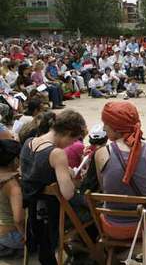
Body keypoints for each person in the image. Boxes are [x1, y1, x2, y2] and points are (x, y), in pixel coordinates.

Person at [20, 110, 86, 264]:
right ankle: (86, 252)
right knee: (90, 209)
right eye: (73, 140)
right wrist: (74, 179)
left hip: (33, 210)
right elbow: (68, 193)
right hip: (54, 212)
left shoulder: (29, 142)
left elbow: (30, 173)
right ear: (68, 132)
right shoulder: (56, 154)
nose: (72, 144)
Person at [94, 102, 146, 240]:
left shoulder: (101, 153)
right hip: (144, 226)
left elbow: (105, 189)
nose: (104, 128)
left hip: (111, 227)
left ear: (117, 129)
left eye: (106, 124)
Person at [0, 140, 24, 257]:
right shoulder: (13, 187)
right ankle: (11, 248)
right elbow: (18, 220)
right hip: (9, 235)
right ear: (15, 160)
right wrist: (25, 236)